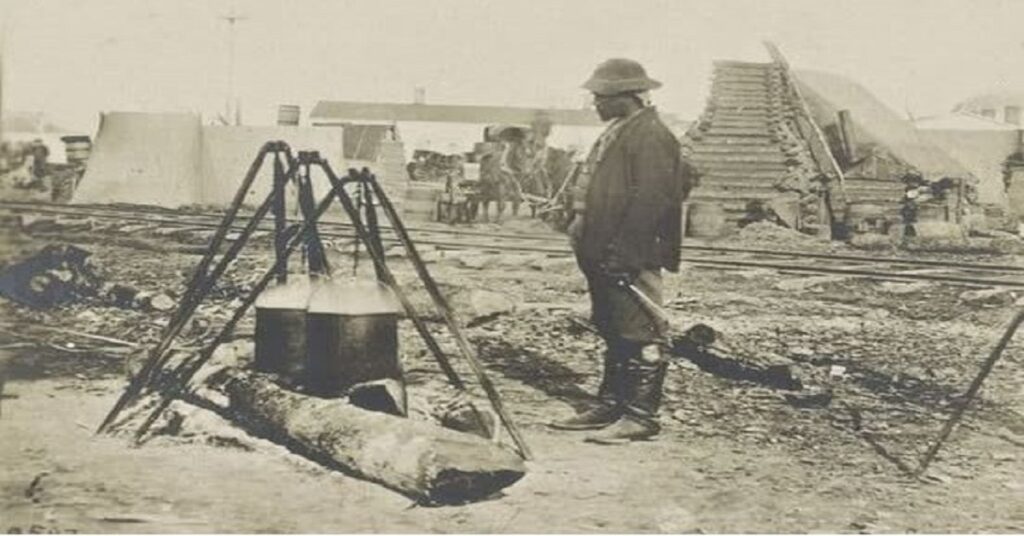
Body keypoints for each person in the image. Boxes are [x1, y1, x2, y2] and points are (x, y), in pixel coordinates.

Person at [550, 58, 692, 443]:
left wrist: (625, 254)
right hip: (605, 249)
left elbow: (651, 201)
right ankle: (612, 402)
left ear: (624, 97)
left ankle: (641, 415)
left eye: (600, 97)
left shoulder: (651, 136)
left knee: (642, 330)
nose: (595, 103)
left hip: (630, 253)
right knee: (613, 326)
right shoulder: (623, 131)